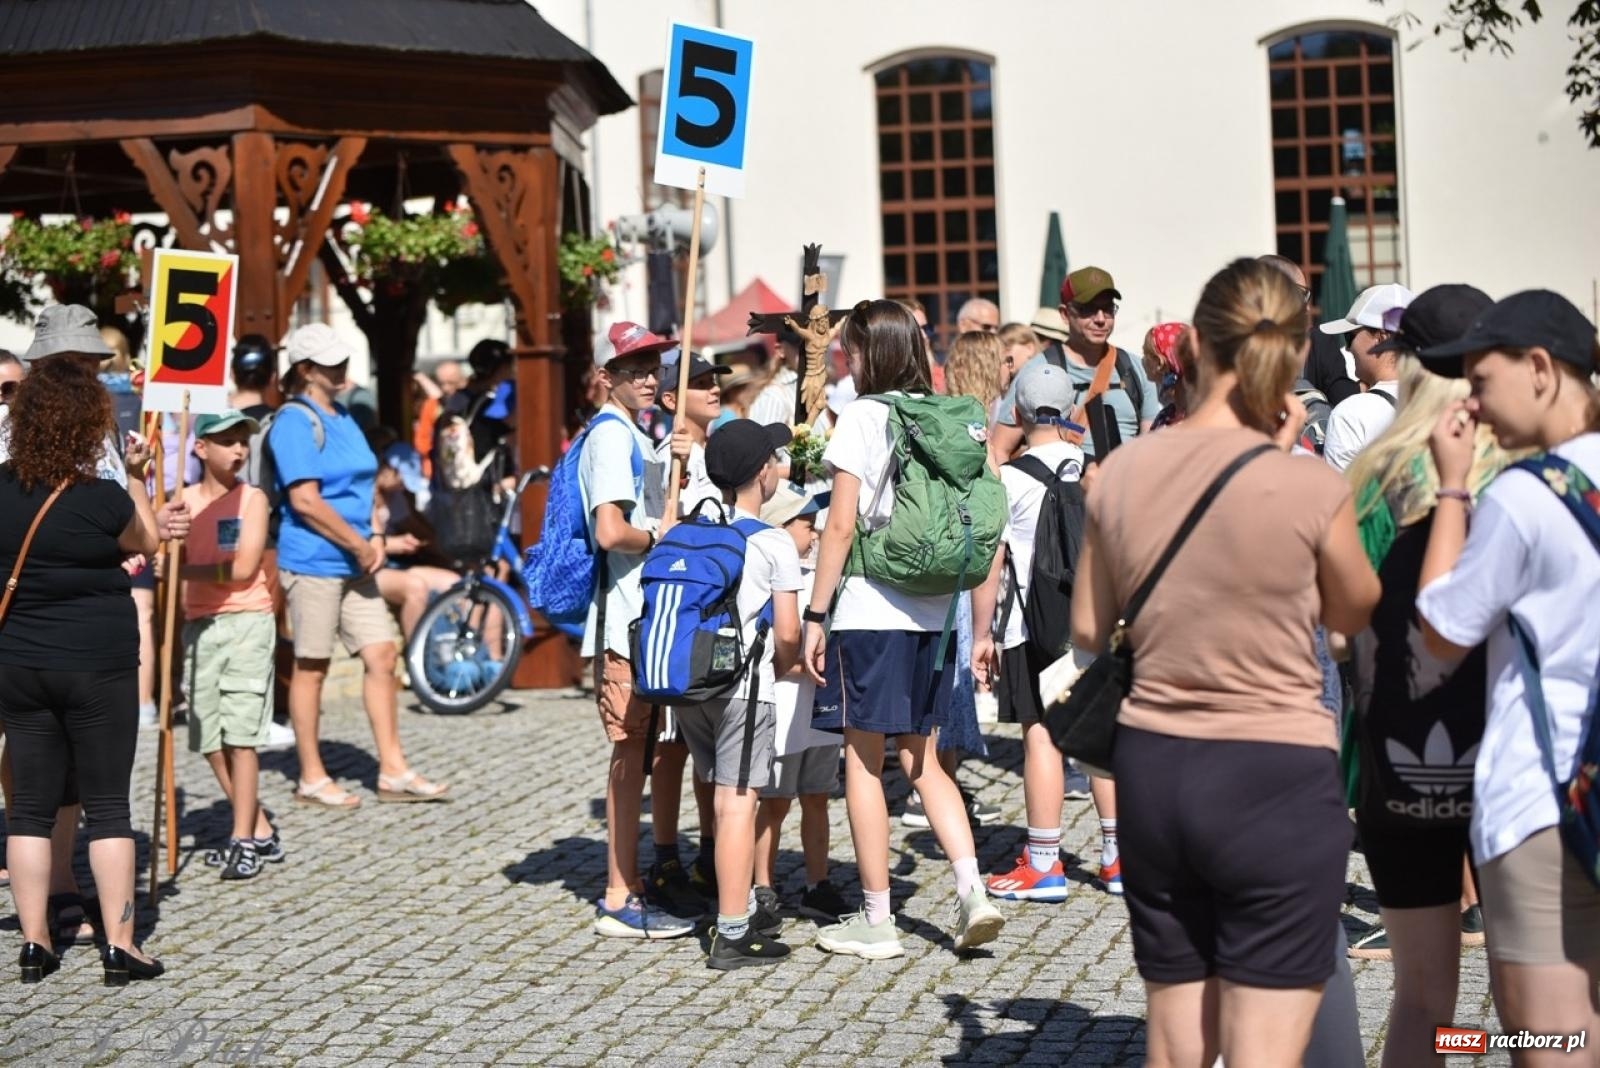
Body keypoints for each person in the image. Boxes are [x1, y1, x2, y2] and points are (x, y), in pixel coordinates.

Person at [1071, 257, 1380, 1065]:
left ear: (1193, 348)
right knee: (1264, 1044)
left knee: (1177, 1041)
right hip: (1275, 769)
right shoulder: (1308, 486)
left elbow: (1090, 628)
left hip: (1157, 770)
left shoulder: (1123, 472)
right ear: (1292, 354)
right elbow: (1353, 612)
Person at [1414, 290, 1600, 1062]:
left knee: (1552, 1041)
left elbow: (1439, 636)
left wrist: (1452, 485)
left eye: (1482, 380)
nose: (1474, 403)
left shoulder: (1525, 496)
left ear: (1541, 369)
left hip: (1543, 801)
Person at [802, 298, 1006, 960]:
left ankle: (877, 919)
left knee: (863, 763)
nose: (846, 362)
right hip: (934, 612)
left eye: (851, 352)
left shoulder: (864, 417)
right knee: (924, 761)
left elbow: (840, 525)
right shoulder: (944, 415)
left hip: (870, 611)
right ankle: (973, 891)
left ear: (871, 354)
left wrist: (814, 614)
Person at [1338, 287, 1507, 1064]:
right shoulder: (1516, 470)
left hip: (1397, 753)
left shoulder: (1369, 474)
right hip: (1506, 751)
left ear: (1408, 364)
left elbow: (1339, 629)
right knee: (1536, 998)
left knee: (1422, 998)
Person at [0, 333, 170, 984]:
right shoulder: (103, 497)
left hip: (20, 660)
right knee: (108, 807)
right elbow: (147, 542)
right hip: (98, 662)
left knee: (29, 808)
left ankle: (35, 942)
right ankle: (120, 945)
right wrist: (139, 476)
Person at [270, 323, 447, 809]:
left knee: (382, 654)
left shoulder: (344, 415)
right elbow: (304, 500)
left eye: (342, 359)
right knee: (312, 665)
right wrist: (359, 543)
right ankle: (311, 775)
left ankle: (393, 769)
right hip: (314, 560)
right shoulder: (293, 421)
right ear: (305, 370)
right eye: (330, 362)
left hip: (357, 559)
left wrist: (374, 536)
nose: (341, 368)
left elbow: (366, 484)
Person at [674, 420, 803, 969]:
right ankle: (732, 933)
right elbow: (789, 632)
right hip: (745, 688)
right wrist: (785, 667)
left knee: (721, 798)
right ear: (763, 472)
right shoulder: (773, 541)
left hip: (692, 686)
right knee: (738, 803)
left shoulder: (688, 529)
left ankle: (739, 908)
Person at [580, 321, 693, 940]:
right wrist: (658, 536)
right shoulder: (608, 436)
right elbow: (610, 531)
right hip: (624, 620)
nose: (650, 378)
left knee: (644, 750)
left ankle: (633, 882)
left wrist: (675, 463)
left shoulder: (633, 433)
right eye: (636, 369)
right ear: (608, 377)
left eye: (654, 367)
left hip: (644, 615)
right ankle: (618, 894)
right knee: (630, 753)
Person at [971, 359, 1085, 902]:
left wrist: (981, 635)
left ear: (1016, 415)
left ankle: (1043, 863)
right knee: (1097, 733)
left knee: (1040, 736)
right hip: (1091, 622)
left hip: (1028, 624)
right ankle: (1115, 860)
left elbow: (992, 563)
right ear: (1071, 411)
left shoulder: (1008, 478)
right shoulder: (1093, 469)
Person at [179, 410, 284, 881]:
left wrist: (182, 572)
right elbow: (158, 554)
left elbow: (242, 570)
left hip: (246, 621)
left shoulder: (253, 499)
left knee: (242, 736)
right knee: (208, 736)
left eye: (243, 440)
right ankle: (258, 825)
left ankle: (242, 839)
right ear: (201, 448)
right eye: (227, 440)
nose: (239, 449)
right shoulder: (181, 501)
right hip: (198, 625)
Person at [644, 348, 730, 915]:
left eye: (714, 380)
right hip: (677, 614)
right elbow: (665, 530)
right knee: (671, 743)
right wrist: (676, 466)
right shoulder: (668, 459)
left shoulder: (709, 453)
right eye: (700, 383)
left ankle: (710, 850)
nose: (713, 389)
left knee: (706, 746)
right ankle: (665, 856)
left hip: (713, 614)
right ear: (672, 399)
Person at [752, 486, 849, 922]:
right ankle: (762, 886)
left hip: (820, 709)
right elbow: (773, 646)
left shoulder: (820, 575)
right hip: (784, 708)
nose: (815, 534)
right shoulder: (770, 577)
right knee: (774, 802)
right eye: (807, 526)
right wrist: (797, 664)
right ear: (779, 528)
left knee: (817, 796)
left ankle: (817, 883)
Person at [990, 267, 1160, 464]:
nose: (1100, 319)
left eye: (1108, 309)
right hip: (1063, 482)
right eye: (1088, 309)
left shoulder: (1134, 369)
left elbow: (1151, 448)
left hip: (1124, 480)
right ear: (1065, 314)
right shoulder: (1037, 370)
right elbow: (1000, 449)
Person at [1319, 283, 1416, 471]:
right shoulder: (1438, 399)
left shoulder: (1350, 415)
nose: (1348, 348)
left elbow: (1341, 489)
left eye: (1349, 337)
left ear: (1381, 338)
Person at [1141, 322, 1191, 429]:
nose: (1143, 360)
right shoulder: (1168, 413)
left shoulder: (1190, 419)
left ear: (1159, 363)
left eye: (1145, 353)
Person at [997, 322, 1038, 396]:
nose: (1001, 356)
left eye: (1007, 349)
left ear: (1030, 348)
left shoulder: (1037, 382)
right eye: (998, 350)